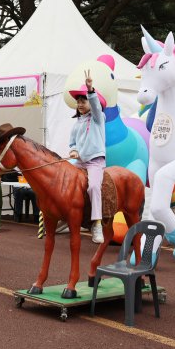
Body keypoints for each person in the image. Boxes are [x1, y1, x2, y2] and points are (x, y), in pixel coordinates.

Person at [68, 70, 106, 244]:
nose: (80, 104)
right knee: (63, 179)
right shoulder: (76, 124)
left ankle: (97, 224)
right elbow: (72, 144)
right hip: (79, 162)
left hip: (95, 162)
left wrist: (90, 90)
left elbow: (96, 106)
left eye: (83, 101)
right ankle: (66, 217)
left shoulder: (99, 117)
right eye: (78, 101)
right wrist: (73, 151)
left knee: (94, 187)